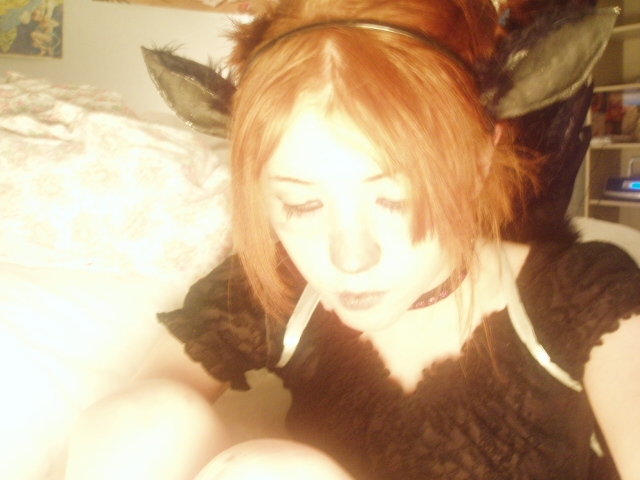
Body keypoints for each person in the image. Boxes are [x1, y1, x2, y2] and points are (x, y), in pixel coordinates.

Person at [65, 0, 640, 479]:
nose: (348, 257)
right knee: (146, 424)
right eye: (301, 205)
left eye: (396, 199)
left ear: (477, 164)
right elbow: (140, 431)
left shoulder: (579, 295)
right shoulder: (279, 289)